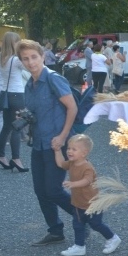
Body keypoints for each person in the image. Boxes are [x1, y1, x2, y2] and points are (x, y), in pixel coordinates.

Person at [18, 39, 78, 245]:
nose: (30, 62)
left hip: (56, 144)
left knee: (53, 189)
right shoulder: (29, 84)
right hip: (38, 143)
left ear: (43, 56)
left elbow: (72, 108)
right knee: (40, 191)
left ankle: (86, 218)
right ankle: (55, 231)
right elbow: (36, 112)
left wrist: (62, 137)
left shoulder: (53, 79)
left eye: (34, 57)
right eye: (25, 59)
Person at [54, 134, 122, 256]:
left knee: (96, 224)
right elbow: (60, 163)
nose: (69, 151)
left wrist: (73, 184)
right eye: (69, 148)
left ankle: (112, 238)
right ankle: (79, 246)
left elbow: (87, 181)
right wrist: (57, 150)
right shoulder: (71, 163)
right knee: (77, 225)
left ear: (84, 153)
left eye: (74, 149)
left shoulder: (87, 167)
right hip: (78, 203)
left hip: (92, 203)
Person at [0, 32, 28, 172]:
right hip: (17, 94)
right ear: (13, 43)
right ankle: (16, 159)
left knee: (7, 127)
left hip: (5, 94)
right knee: (17, 127)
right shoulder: (16, 60)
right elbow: (30, 68)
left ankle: (0, 156)